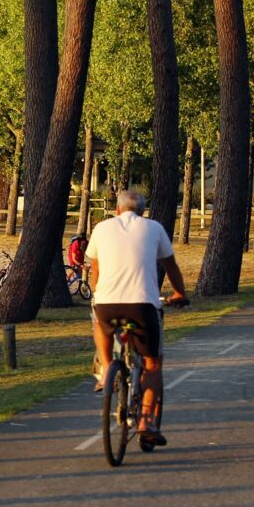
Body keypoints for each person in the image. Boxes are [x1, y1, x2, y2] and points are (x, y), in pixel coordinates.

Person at [86, 188, 190, 447]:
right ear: (142, 211)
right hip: (142, 307)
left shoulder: (101, 228)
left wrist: (98, 297)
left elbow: (95, 269)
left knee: (100, 322)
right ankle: (145, 420)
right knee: (153, 364)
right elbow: (171, 267)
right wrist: (179, 292)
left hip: (108, 306)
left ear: (117, 210)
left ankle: (107, 366)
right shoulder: (154, 228)